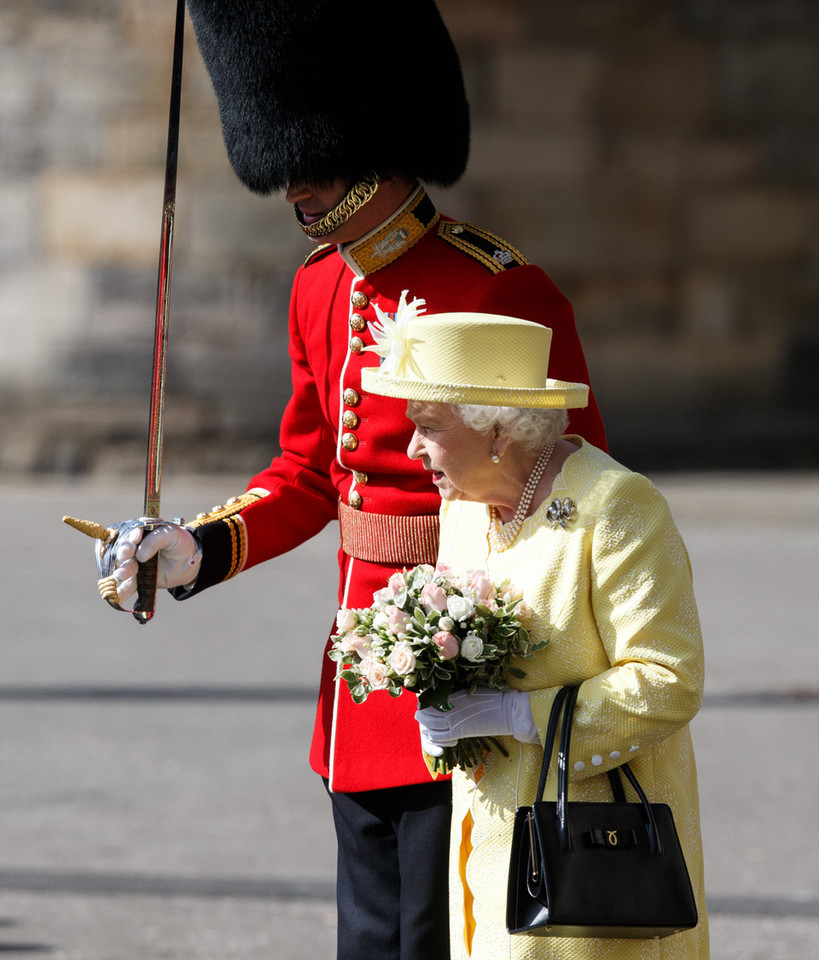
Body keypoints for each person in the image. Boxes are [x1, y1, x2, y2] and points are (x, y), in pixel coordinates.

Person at [82, 3, 607, 959]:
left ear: (378, 145)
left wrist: (512, 663)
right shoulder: (319, 286)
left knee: (442, 937)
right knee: (369, 938)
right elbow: (307, 472)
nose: (299, 191)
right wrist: (194, 547)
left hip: (473, 670)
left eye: (315, 167)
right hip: (359, 686)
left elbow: (579, 494)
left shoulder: (497, 287)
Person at [360, 311, 709, 960]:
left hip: (595, 849)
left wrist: (522, 715)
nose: (412, 449)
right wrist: (440, 704)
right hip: (487, 837)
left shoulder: (615, 508)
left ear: (497, 429)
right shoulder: (461, 507)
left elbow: (668, 679)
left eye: (428, 427)